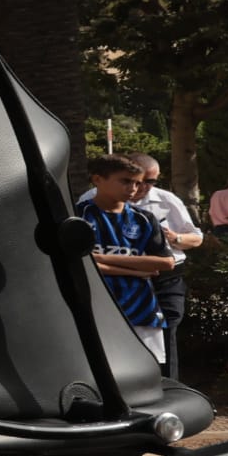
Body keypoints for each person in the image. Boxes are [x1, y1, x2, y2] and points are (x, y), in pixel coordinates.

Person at [78, 154, 175, 369]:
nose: (133, 188)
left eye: (137, 183)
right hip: (94, 308)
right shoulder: (78, 217)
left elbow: (166, 262)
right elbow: (78, 264)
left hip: (141, 309)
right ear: (97, 180)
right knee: (98, 370)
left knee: (147, 373)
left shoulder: (144, 219)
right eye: (125, 181)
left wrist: (100, 258)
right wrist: (135, 270)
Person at [120, 154, 202, 377]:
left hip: (166, 278)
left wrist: (175, 238)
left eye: (151, 181)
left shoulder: (167, 201)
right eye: (138, 180)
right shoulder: (97, 200)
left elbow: (196, 238)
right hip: (121, 279)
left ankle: (169, 388)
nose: (144, 186)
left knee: (166, 330)